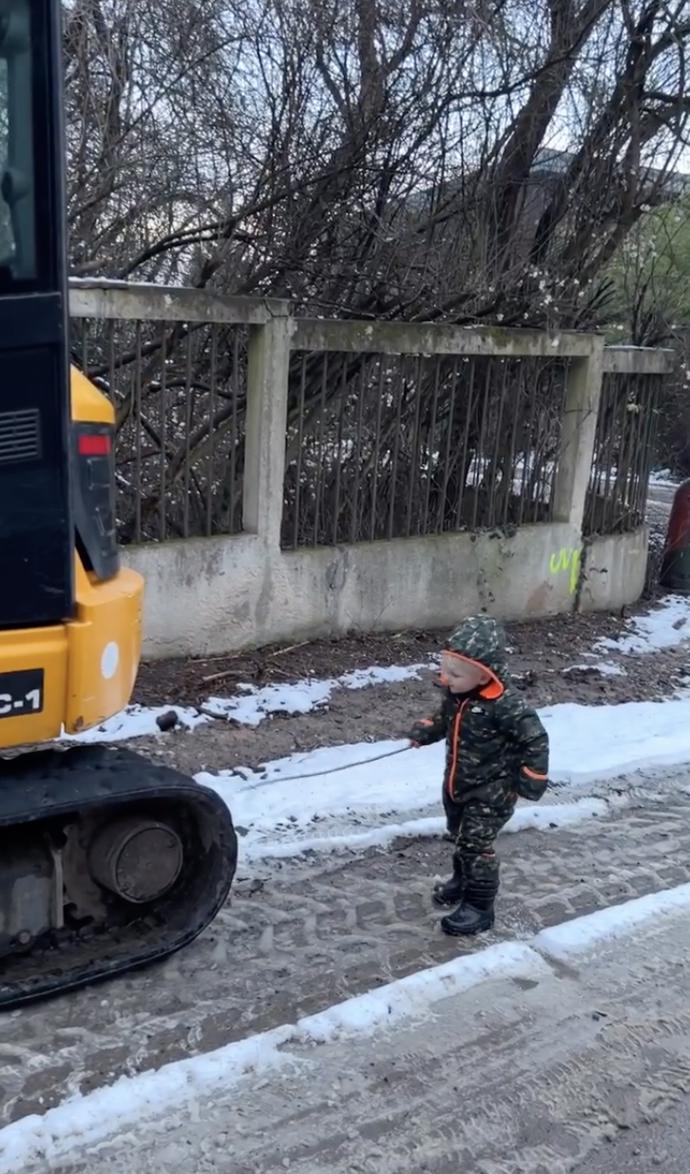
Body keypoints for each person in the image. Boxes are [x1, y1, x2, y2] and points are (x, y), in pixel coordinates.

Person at [407, 616, 549, 936]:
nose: (446, 678)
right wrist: (426, 731)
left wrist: (533, 775)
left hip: (493, 790)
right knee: (459, 835)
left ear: (484, 674)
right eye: (444, 670)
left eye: (455, 674)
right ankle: (462, 880)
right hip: (458, 783)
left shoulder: (507, 705)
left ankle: (479, 906)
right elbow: (443, 719)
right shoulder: (459, 696)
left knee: (476, 844)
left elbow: (535, 739)